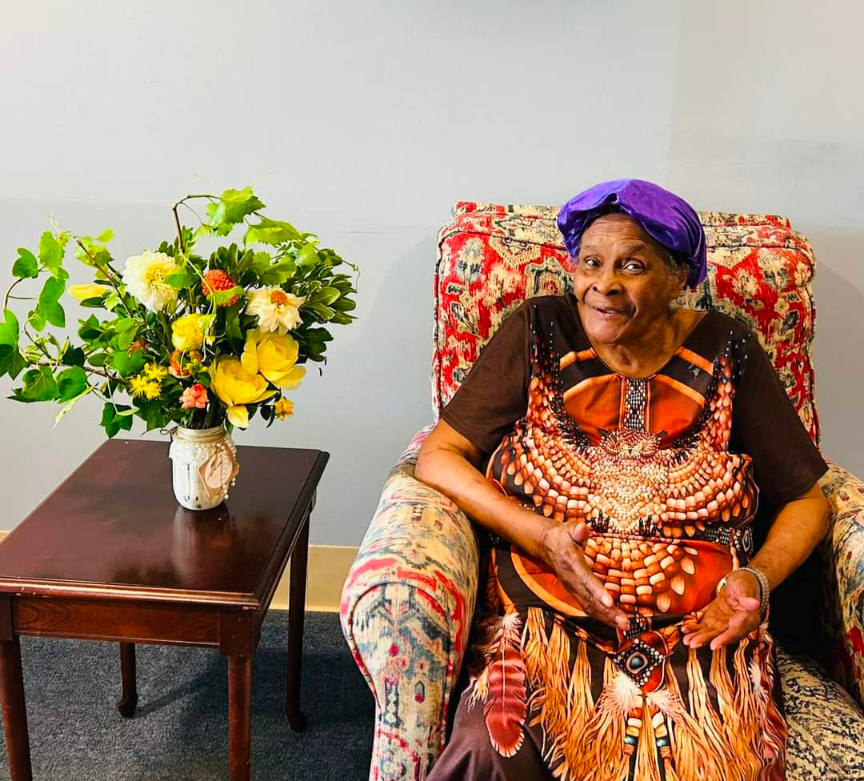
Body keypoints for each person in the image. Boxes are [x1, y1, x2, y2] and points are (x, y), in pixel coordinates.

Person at [416, 179, 829, 781]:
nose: (603, 285)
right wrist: (538, 535)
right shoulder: (539, 331)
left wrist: (757, 580)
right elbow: (439, 455)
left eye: (631, 266)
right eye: (590, 262)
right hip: (545, 623)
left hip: (697, 638)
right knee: (490, 748)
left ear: (678, 278)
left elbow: (807, 500)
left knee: (714, 762)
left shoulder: (728, 349)